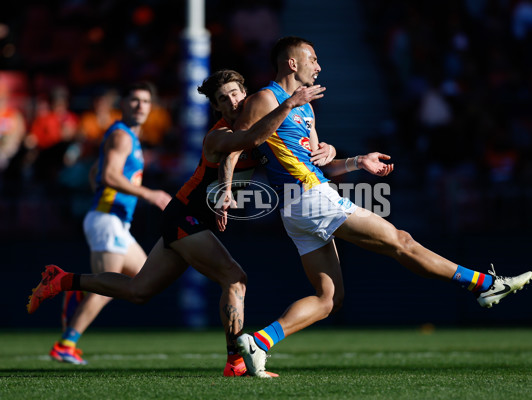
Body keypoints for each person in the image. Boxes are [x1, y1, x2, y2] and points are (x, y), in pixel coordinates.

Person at [220, 36, 532, 378]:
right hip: (309, 198)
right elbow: (237, 146)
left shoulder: (306, 107)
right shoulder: (265, 98)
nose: (319, 66)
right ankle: (484, 284)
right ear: (292, 63)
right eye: (313, 58)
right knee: (403, 242)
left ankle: (259, 343)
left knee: (329, 299)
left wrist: (357, 161)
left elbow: (319, 163)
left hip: (301, 206)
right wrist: (225, 190)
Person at [26, 70, 327, 377]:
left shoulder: (260, 124)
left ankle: (62, 280)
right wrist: (288, 104)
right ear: (218, 108)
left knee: (138, 291)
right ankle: (235, 362)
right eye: (223, 99)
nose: (232, 101)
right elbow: (248, 140)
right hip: (185, 216)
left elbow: (293, 149)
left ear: (246, 94)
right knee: (235, 278)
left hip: (187, 219)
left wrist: (327, 151)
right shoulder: (219, 135)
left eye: (236, 93)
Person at [46, 81, 172, 365]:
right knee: (109, 287)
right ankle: (66, 343)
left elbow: (96, 171)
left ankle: (78, 293)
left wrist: (105, 190)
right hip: (107, 220)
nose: (140, 106)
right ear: (123, 104)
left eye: (146, 101)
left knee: (142, 283)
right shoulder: (122, 136)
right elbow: (109, 176)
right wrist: (149, 194)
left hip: (114, 221)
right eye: (134, 100)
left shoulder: (128, 138)